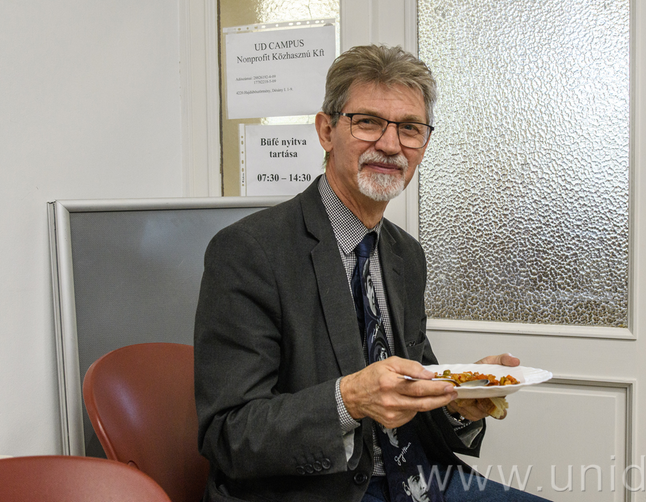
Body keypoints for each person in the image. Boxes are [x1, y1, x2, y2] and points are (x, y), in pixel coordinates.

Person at [194, 44, 551, 502]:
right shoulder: (249, 251)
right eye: (367, 122)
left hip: (419, 478)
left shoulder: (406, 255)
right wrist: (349, 400)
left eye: (410, 128)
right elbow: (228, 434)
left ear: (424, 144)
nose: (390, 144)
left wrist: (457, 400)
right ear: (326, 131)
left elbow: (410, 390)